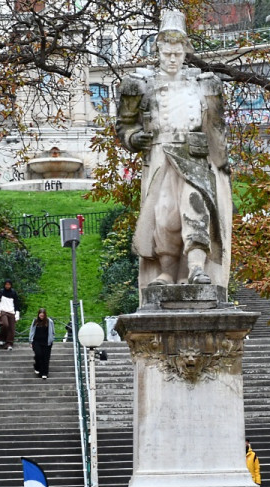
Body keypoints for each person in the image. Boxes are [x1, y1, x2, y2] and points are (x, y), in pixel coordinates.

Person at [115, 9, 232, 293]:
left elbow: (216, 129)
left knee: (195, 207)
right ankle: (167, 271)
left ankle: (195, 268)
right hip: (160, 156)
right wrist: (134, 138)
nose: (172, 59)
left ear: (184, 52)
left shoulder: (205, 84)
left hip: (194, 157)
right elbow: (125, 125)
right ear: (158, 50)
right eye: (167, 52)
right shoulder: (139, 83)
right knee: (164, 214)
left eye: (177, 53)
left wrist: (222, 167)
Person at [29, 308, 55, 379]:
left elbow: (52, 331)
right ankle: (37, 366)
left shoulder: (49, 321)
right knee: (38, 354)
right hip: (36, 341)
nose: (41, 316)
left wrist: (51, 339)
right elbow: (32, 331)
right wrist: (31, 341)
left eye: (43, 316)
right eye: (40, 315)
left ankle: (44, 373)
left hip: (46, 342)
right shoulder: (35, 321)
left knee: (46, 358)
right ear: (38, 315)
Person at [0, 280, 19, 350]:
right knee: (5, 324)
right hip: (3, 311)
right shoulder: (1, 292)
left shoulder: (14, 293)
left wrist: (17, 314)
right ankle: (1, 338)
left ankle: (9, 343)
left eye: (9, 285)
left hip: (11, 312)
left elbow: (16, 304)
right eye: (6, 284)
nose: (7, 286)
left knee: (11, 329)